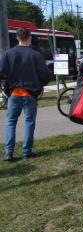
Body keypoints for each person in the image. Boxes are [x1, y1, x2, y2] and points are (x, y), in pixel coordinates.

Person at [0, 28, 50, 161]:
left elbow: (1, 72)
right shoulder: (36, 55)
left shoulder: (8, 54)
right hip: (31, 93)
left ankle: (8, 152)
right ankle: (26, 152)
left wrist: (8, 79)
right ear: (30, 37)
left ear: (17, 38)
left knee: (11, 122)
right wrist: (40, 84)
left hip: (14, 92)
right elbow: (45, 75)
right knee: (29, 122)